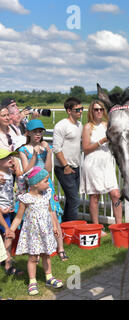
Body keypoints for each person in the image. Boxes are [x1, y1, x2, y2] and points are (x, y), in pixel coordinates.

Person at [17, 119, 68, 261]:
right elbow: (26, 171)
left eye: (40, 131)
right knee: (34, 219)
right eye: (35, 132)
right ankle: (37, 250)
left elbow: (48, 169)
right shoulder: (23, 149)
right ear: (28, 133)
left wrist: (49, 152)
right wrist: (34, 155)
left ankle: (60, 248)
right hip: (33, 186)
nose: (38, 134)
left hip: (46, 184)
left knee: (53, 213)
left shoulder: (45, 148)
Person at [9, 166, 64, 296]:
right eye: (45, 180)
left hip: (46, 231)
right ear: (35, 184)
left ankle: (49, 277)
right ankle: (32, 281)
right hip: (33, 234)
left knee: (46, 254)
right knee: (33, 257)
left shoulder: (46, 195)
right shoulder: (26, 199)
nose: (48, 182)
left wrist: (55, 226)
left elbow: (50, 211)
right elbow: (18, 217)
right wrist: (11, 230)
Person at [80, 101, 122, 231]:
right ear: (91, 112)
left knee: (115, 194)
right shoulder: (87, 127)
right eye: (96, 110)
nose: (99, 112)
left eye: (101, 110)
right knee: (94, 196)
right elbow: (85, 148)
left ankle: (118, 226)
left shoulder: (106, 125)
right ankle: (96, 227)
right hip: (92, 163)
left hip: (107, 163)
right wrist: (102, 141)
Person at [53, 97, 83, 222]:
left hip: (76, 167)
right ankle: (74, 226)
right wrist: (66, 166)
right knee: (75, 199)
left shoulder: (80, 125)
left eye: (81, 109)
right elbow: (56, 149)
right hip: (63, 168)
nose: (81, 112)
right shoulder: (61, 126)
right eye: (77, 110)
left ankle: (65, 227)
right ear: (69, 111)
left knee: (71, 199)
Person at [0, 148, 24, 276]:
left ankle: (7, 261)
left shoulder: (10, 173)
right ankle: (6, 262)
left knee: (7, 235)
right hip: (1, 210)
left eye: (11, 157)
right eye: (6, 158)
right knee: (6, 234)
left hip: (8, 210)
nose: (11, 159)